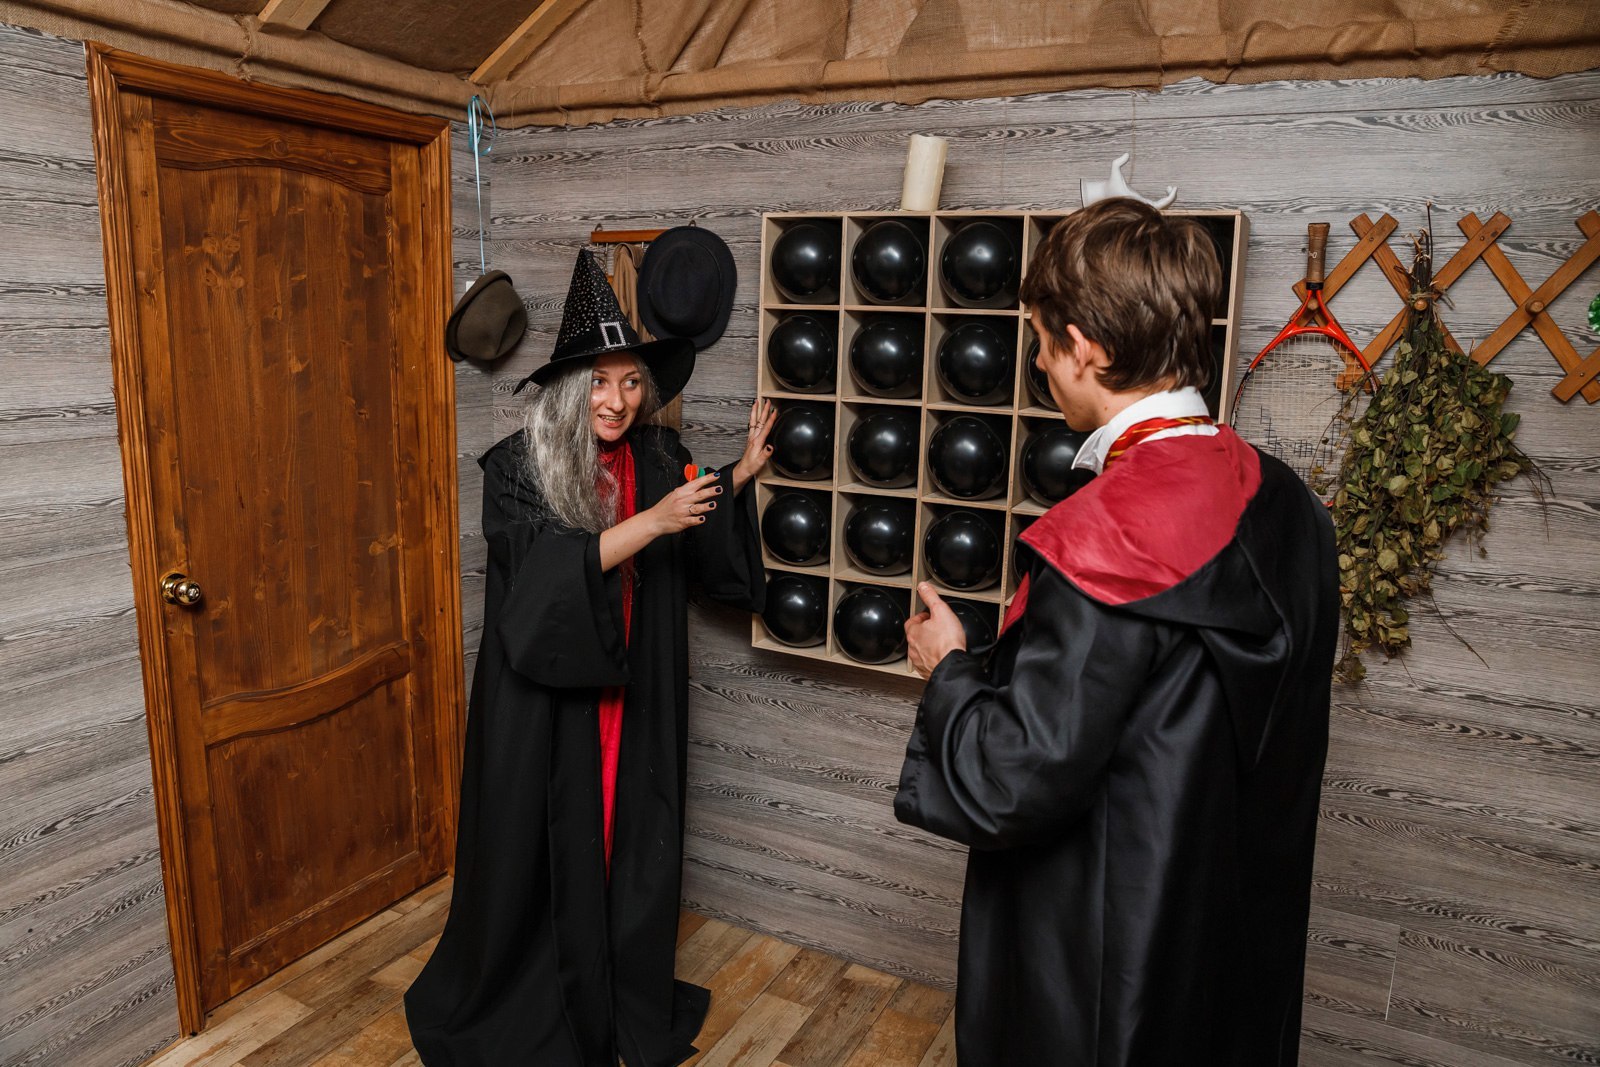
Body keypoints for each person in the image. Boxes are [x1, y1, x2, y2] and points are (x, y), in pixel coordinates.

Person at [895, 198, 1338, 1065]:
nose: (1036, 363)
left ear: (1084, 347)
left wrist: (948, 669)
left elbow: (1013, 780)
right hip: (1227, 940)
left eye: (1039, 340)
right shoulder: (1290, 504)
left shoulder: (1107, 537)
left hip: (1110, 960)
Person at [405, 250, 775, 1066]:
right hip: (548, 706)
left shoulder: (657, 456)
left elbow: (692, 527)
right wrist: (653, 521)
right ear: (571, 386)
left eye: (632, 382)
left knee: (627, 834)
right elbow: (543, 582)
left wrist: (739, 478)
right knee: (543, 847)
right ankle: (534, 994)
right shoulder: (517, 467)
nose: (617, 400)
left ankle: (613, 981)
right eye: (600, 382)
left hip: (631, 690)